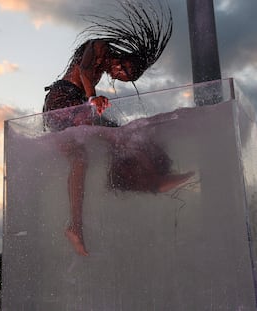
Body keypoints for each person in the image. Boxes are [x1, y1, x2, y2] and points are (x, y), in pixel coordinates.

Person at [43, 0, 191, 256]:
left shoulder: (107, 65)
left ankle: (77, 224)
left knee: (85, 156)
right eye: (124, 73)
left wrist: (89, 100)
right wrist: (92, 98)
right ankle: (139, 180)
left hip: (71, 105)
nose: (118, 76)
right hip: (62, 100)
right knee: (119, 136)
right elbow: (84, 69)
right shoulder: (100, 47)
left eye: (125, 79)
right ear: (124, 61)